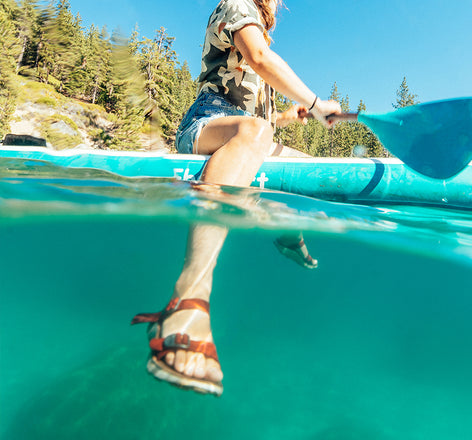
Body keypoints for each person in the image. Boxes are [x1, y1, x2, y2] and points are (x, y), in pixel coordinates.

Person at [131, 0, 341, 396]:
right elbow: (259, 60)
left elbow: (258, 113)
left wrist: (289, 116)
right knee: (257, 133)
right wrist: (315, 105)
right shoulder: (236, 4)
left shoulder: (256, 25)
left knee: (306, 166)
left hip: (244, 130)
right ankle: (189, 297)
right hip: (204, 124)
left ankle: (286, 233)